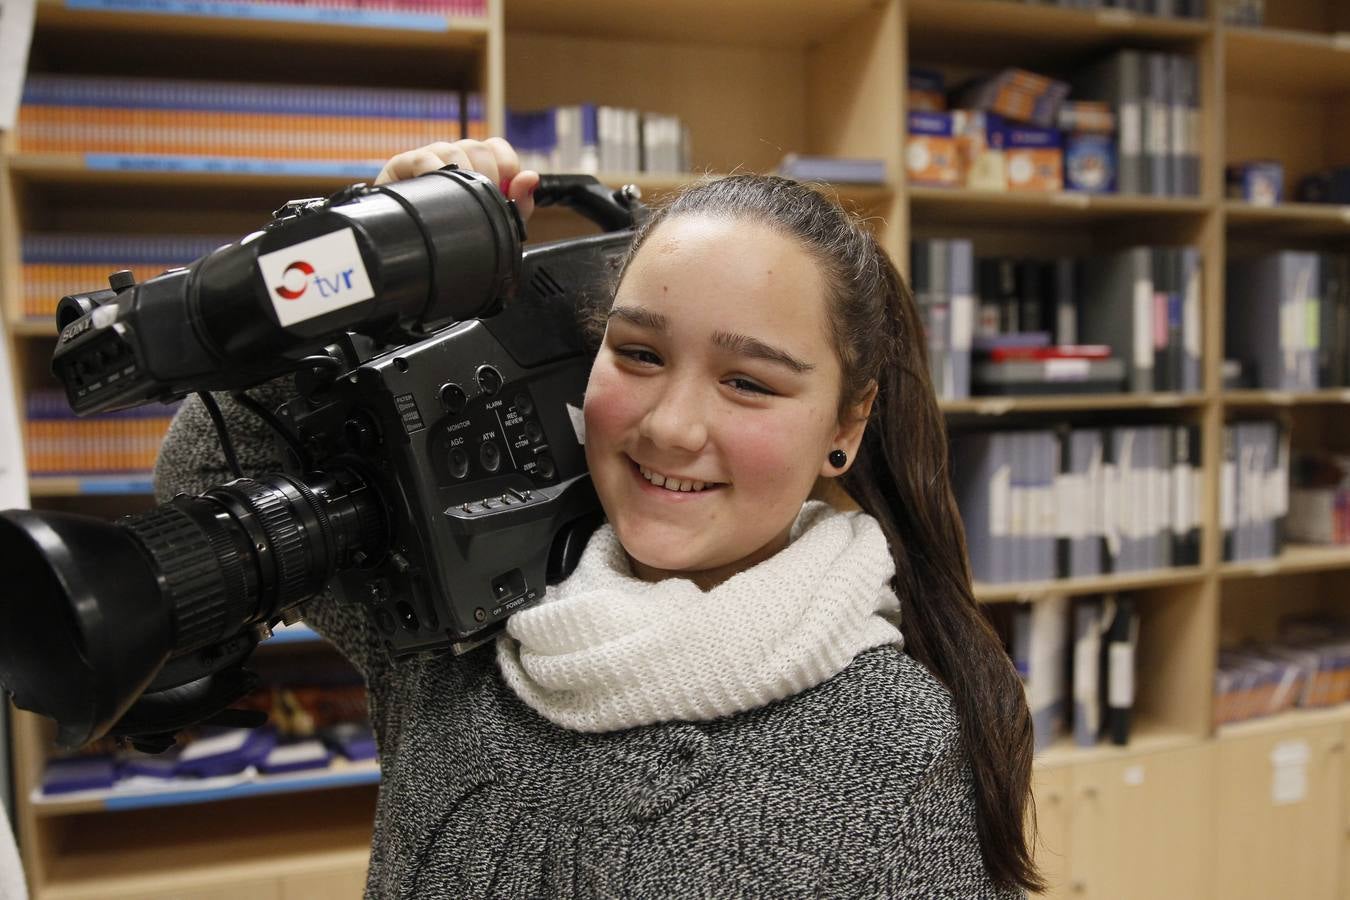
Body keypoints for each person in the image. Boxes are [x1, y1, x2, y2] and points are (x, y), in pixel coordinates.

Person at [155, 137, 1042, 898]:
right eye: (640, 353)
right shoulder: (462, 620)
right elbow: (206, 471)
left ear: (846, 423)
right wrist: (368, 268)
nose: (669, 425)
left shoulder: (887, 744)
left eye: (748, 382)